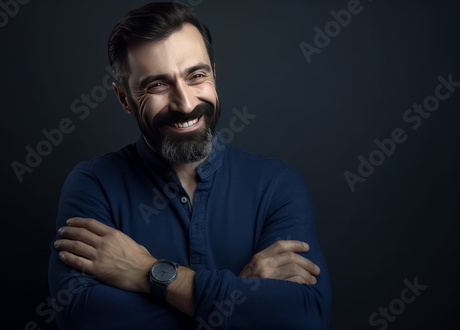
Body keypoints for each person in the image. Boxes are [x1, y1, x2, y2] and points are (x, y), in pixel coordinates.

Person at [48, 2, 331, 329]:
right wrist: (239, 295)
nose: (185, 103)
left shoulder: (278, 184)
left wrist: (147, 272)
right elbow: (80, 318)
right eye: (157, 85)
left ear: (214, 73)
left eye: (196, 75)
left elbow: (307, 318)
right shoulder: (93, 183)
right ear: (124, 98)